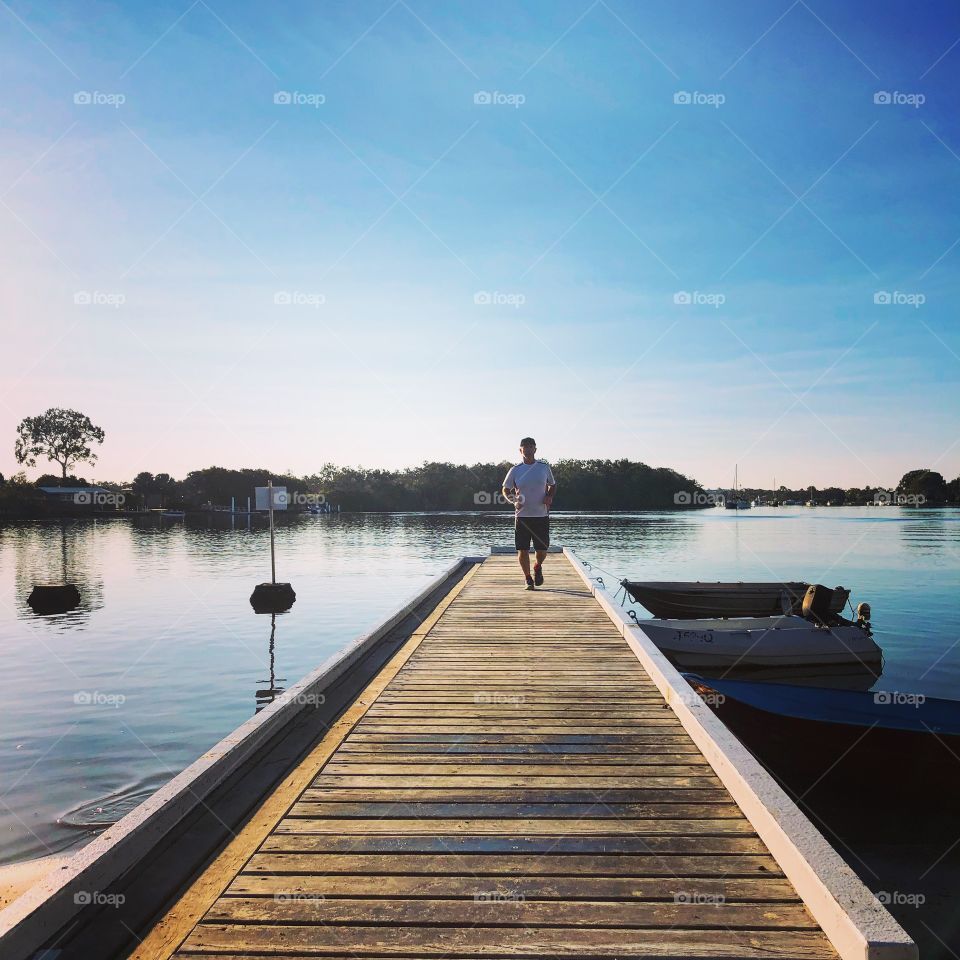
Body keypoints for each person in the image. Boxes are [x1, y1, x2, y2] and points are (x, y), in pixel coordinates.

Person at [502, 438, 557, 590]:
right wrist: (513, 500)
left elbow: (552, 485)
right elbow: (505, 490)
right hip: (522, 516)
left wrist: (549, 496)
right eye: (524, 447)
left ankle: (538, 566)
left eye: (530, 447)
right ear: (520, 450)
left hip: (541, 515)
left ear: (535, 449)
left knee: (542, 550)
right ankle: (527, 579)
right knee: (523, 549)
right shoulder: (515, 470)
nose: (527, 449)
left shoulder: (543, 467)